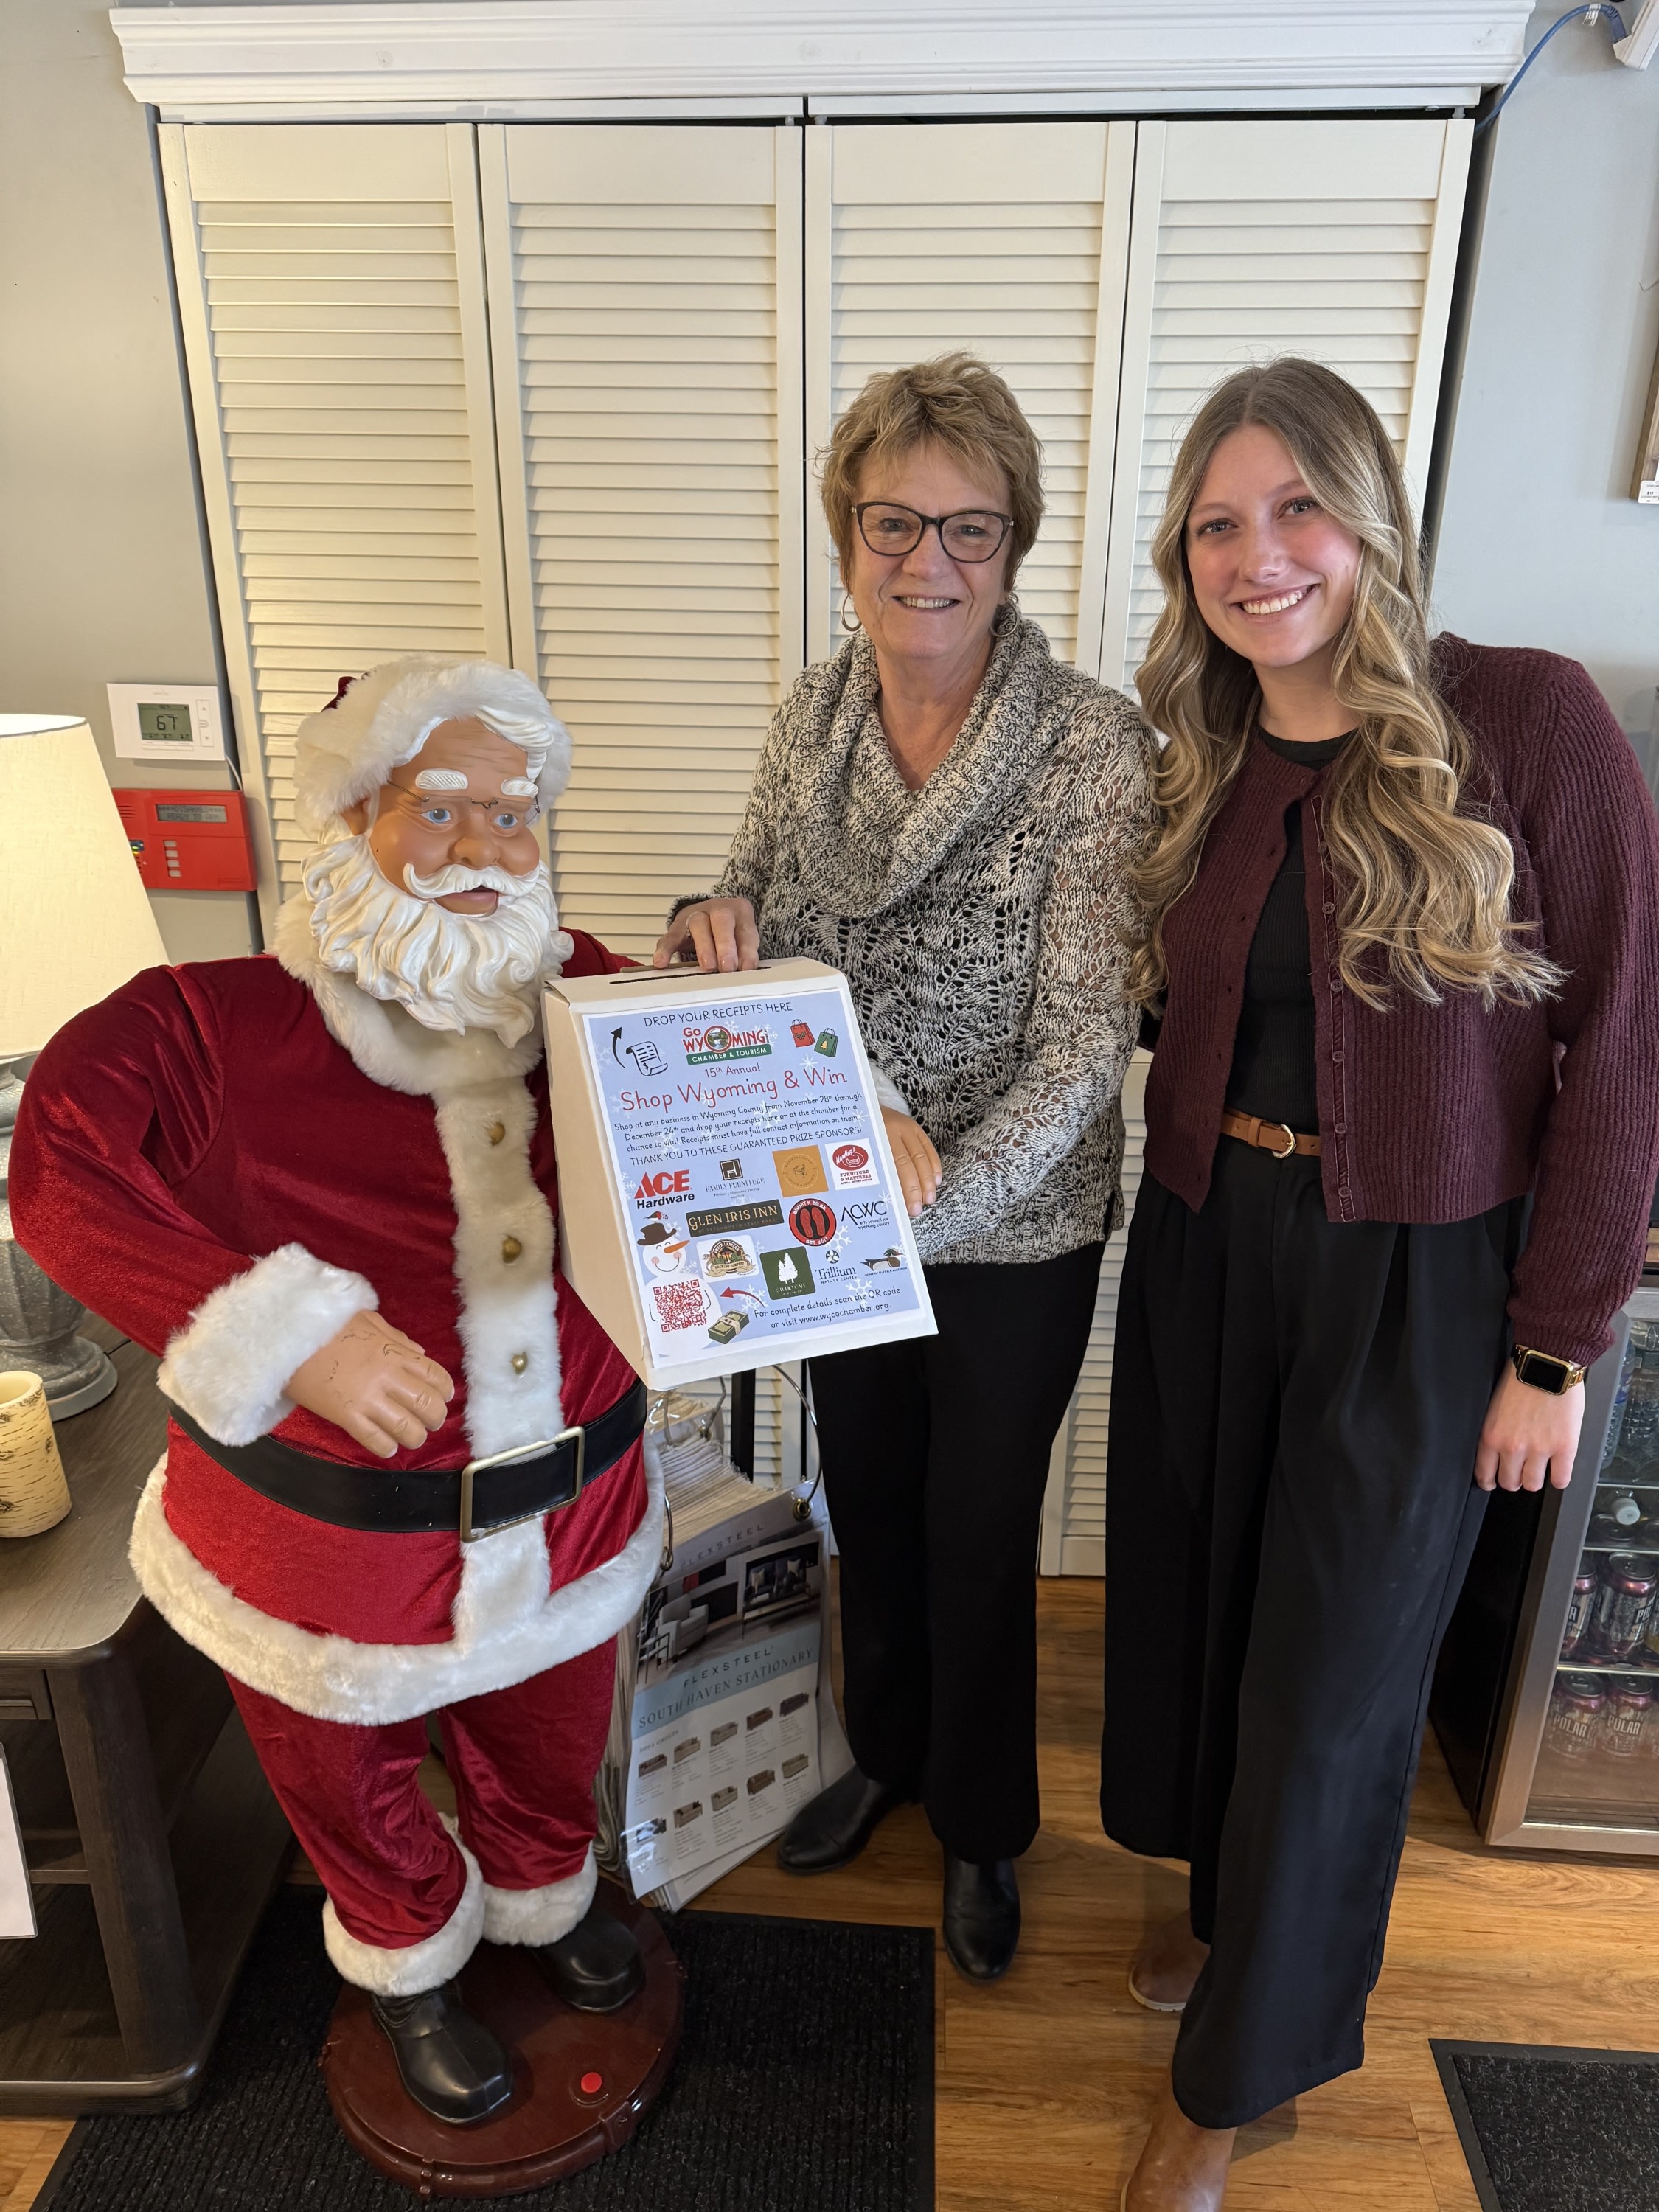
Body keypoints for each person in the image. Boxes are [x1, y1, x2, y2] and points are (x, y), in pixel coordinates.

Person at [1102, 357, 1659, 2211]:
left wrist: (1556, 1351)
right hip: (1203, 1243)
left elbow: (1628, 1055)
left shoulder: (1526, 722)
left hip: (1416, 1275)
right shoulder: (1206, 754)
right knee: (1204, 1612)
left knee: (1335, 1682)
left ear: (1370, 515)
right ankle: (1219, 1915)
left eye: (1297, 509)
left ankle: (1240, 2075)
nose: (1259, 557)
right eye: (1216, 526)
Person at [10, 656, 667, 2129]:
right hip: (328, 1551)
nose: (488, 849)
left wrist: (848, 1105)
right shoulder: (211, 1021)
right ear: (358, 810)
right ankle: (406, 1963)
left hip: (571, 1512)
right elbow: (54, 1160)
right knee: (345, 1766)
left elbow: (743, 1075)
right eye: (444, 808)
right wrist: (286, 1331)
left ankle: (542, 1905)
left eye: (519, 816)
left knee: (549, 1734)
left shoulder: (593, 996)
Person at [655, 352, 1153, 1982]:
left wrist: (935, 1189)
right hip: (832, 1202)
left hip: (1009, 1221)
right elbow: (744, 901)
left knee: (978, 1517)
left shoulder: (1090, 746)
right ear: (846, 531)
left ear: (1014, 548)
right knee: (863, 1490)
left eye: (969, 528)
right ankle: (885, 1752)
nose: (927, 562)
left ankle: (985, 1826)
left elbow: (1086, 1045)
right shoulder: (811, 712)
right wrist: (705, 928)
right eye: (893, 523)